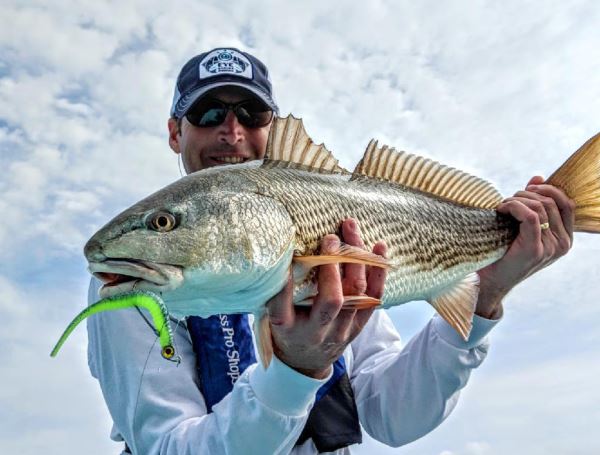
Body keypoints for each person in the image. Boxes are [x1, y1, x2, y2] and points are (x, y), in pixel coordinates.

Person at [87, 47, 575, 454]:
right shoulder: (134, 284)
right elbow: (168, 445)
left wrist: (484, 295)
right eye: (207, 113)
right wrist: (296, 371)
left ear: (272, 127)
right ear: (176, 132)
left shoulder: (335, 244)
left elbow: (392, 416)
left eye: (251, 115)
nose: (231, 132)